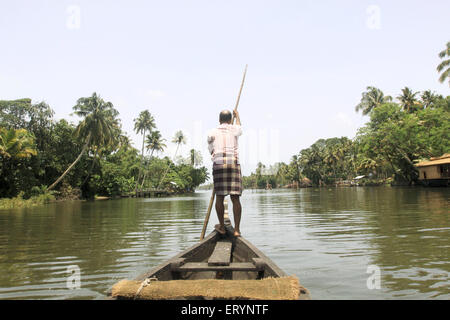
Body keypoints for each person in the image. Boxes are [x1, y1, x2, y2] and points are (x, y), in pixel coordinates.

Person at [207, 109, 243, 237]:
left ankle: (222, 226)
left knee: (220, 197)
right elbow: (240, 128)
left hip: (218, 163)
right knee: (235, 198)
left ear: (219, 120)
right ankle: (237, 230)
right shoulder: (234, 129)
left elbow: (210, 149)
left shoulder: (212, 132)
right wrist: (237, 116)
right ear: (229, 120)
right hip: (233, 162)